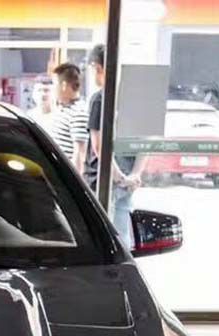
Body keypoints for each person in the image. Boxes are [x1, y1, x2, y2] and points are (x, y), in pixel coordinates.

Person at [84, 44, 144, 245]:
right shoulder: (135, 99)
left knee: (102, 240)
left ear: (97, 67)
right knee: (122, 240)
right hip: (127, 181)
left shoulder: (100, 99)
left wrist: (119, 177)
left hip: (101, 181)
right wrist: (134, 175)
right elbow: (145, 143)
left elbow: (98, 147)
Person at [49, 63, 89, 174]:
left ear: (63, 86)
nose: (52, 89)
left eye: (54, 84)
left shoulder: (79, 112)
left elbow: (79, 153)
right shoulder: (61, 109)